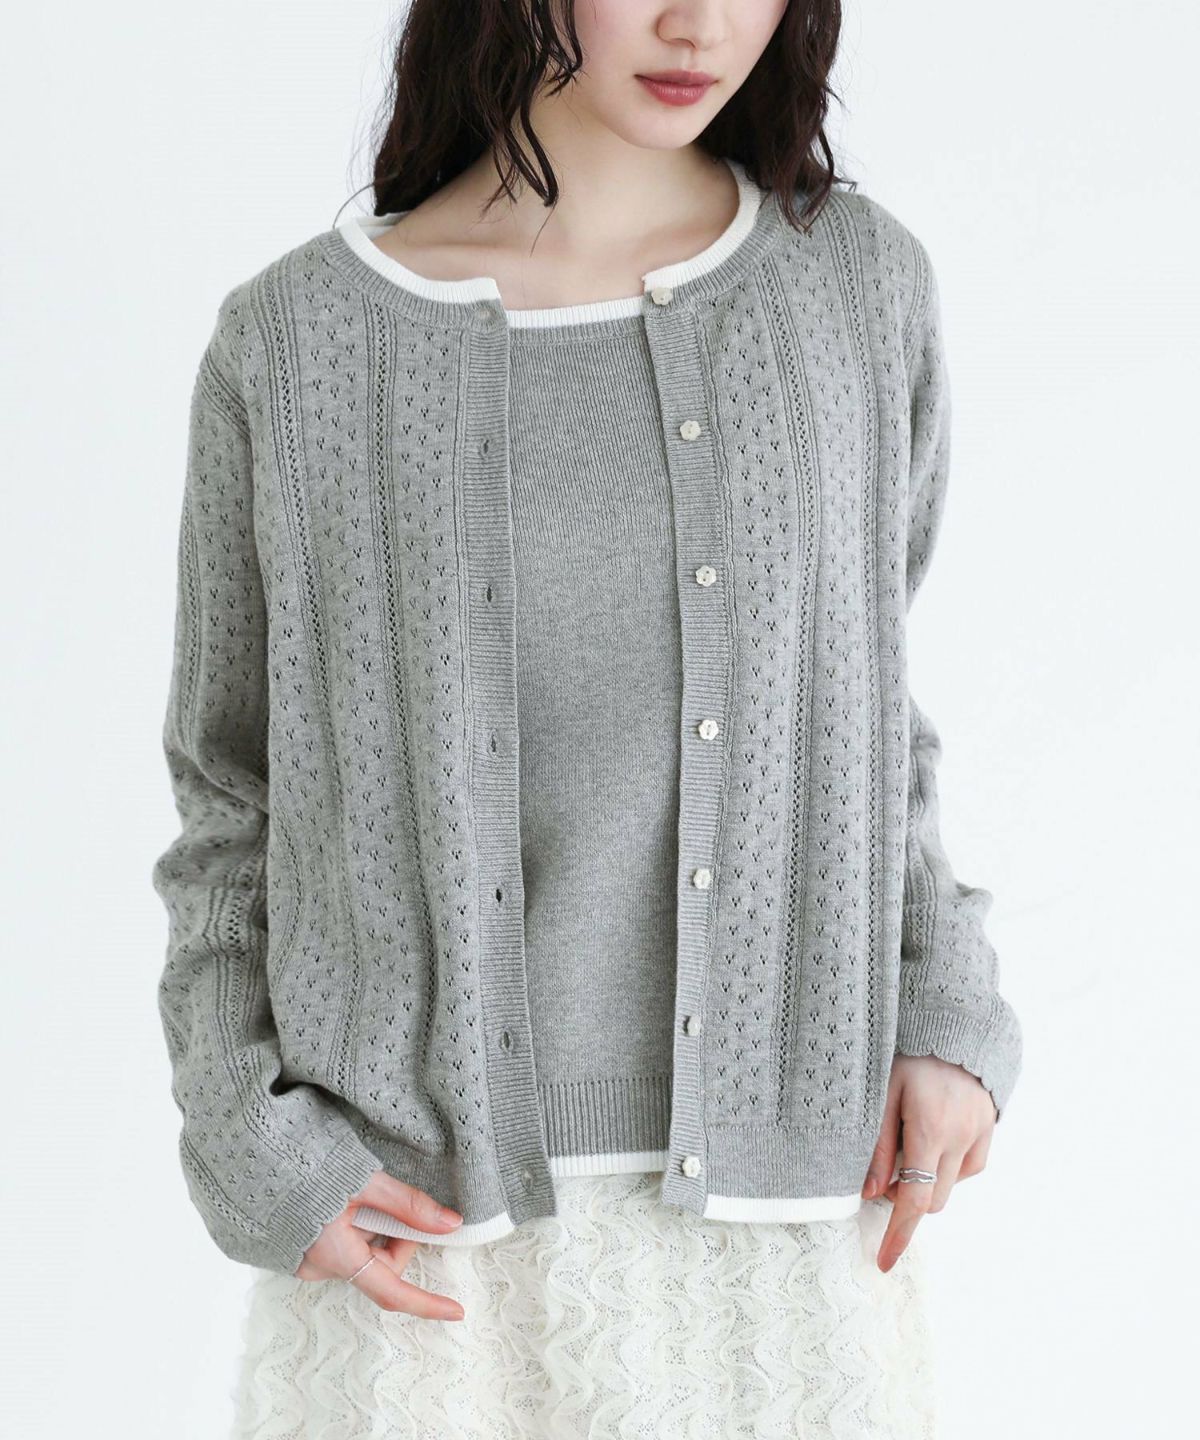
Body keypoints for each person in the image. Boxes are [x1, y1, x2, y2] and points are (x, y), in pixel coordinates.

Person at [151, 2, 1023, 1435]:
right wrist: (248, 1137)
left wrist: (946, 1006)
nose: (699, 24)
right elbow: (231, 795)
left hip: (784, 1229)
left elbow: (866, 702)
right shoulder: (296, 345)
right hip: (421, 1240)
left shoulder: (853, 289)